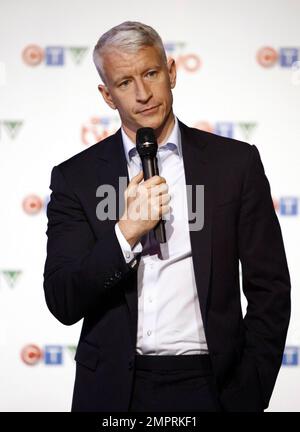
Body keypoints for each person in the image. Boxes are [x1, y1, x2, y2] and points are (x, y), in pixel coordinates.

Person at [43, 21, 291, 412]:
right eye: (124, 83)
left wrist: (250, 391)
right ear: (107, 96)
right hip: (114, 389)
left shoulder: (235, 164)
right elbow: (63, 300)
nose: (142, 94)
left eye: (151, 73)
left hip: (213, 385)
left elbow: (271, 288)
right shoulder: (75, 178)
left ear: (171, 72)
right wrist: (125, 233)